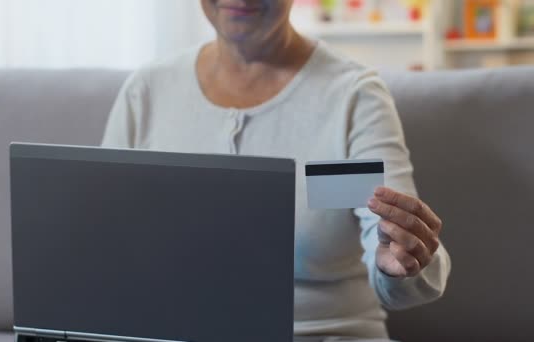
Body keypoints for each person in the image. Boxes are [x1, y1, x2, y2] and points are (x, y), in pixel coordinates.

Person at [102, 0, 451, 341]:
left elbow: (386, 237)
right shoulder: (148, 91)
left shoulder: (350, 97)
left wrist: (403, 259)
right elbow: (105, 242)